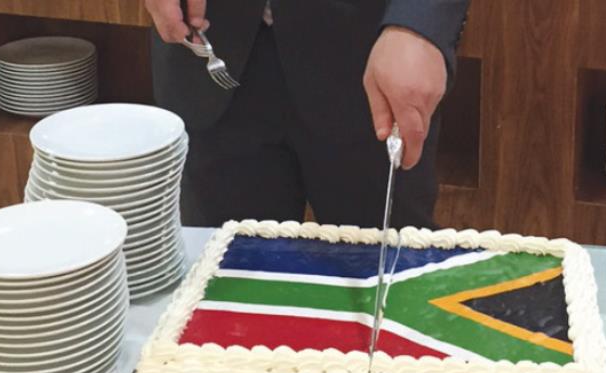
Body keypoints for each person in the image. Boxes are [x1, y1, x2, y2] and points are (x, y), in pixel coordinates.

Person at [145, 0, 470, 228]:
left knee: (383, 293)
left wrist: (422, 20)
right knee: (227, 294)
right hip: (208, 56)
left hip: (371, 57)